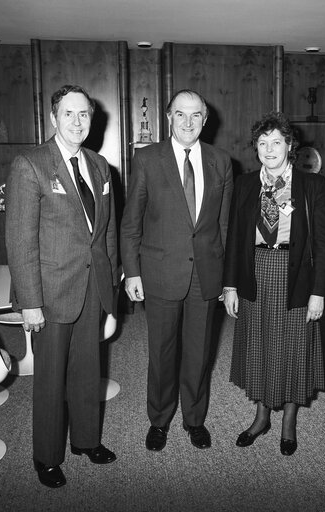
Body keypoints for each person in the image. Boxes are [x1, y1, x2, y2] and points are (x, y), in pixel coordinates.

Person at [6, 84, 118, 488]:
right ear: (53, 117)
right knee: (51, 379)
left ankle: (87, 441)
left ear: (92, 118)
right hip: (50, 293)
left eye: (84, 114)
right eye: (68, 114)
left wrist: (111, 283)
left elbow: (106, 233)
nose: (77, 121)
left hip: (92, 286)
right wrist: (29, 303)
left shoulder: (100, 165)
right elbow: (20, 241)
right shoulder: (30, 164)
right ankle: (47, 457)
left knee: (89, 371)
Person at [120, 89, 233, 451]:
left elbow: (225, 226)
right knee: (163, 354)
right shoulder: (147, 158)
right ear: (168, 117)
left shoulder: (221, 161)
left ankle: (194, 419)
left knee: (199, 353)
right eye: (180, 114)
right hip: (160, 273)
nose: (188, 122)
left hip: (205, 274)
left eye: (195, 115)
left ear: (205, 119)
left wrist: (228, 280)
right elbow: (130, 223)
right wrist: (132, 271)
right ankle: (159, 420)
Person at [223, 111, 325, 456]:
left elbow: (323, 244)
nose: (268, 149)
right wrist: (229, 286)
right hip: (255, 270)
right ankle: (260, 417)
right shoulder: (244, 184)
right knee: (259, 345)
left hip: (296, 273)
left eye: (276, 142)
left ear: (290, 145)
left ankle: (287, 421)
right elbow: (234, 239)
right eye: (262, 142)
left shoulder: (314, 186)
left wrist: (318, 292)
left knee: (292, 348)